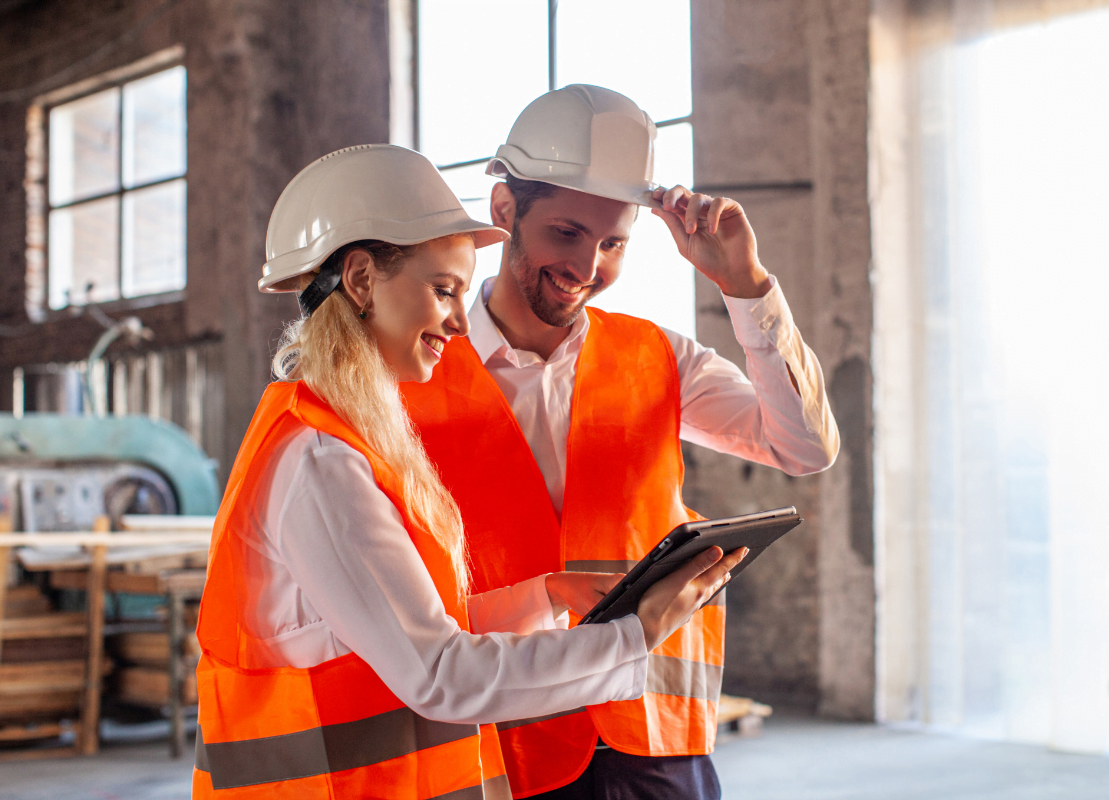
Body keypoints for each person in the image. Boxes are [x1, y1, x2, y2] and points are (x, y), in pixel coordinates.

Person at [192, 144, 748, 800]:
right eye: (443, 290)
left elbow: (396, 622)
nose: (459, 322)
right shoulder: (321, 462)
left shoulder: (343, 437)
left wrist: (542, 595)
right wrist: (640, 632)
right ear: (363, 279)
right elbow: (441, 674)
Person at [400, 86, 841, 799]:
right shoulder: (413, 372)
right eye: (567, 233)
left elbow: (806, 448)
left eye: (612, 244)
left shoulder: (659, 357)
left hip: (653, 731)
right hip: (500, 736)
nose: (586, 266)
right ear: (505, 212)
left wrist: (746, 284)